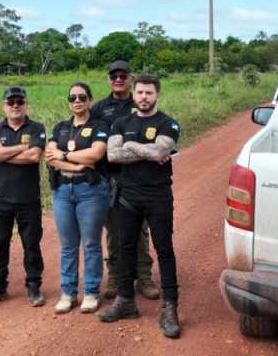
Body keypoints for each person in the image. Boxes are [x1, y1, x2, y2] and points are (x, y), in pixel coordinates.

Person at [98, 74, 182, 339]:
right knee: (124, 249)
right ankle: (125, 301)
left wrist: (131, 145)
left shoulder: (168, 123)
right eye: (140, 93)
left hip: (158, 196)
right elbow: (112, 155)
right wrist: (146, 149)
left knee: (164, 249)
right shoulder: (121, 122)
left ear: (157, 95)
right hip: (127, 197)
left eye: (149, 93)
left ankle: (170, 307)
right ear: (133, 95)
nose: (144, 97)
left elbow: (160, 153)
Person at [91, 60, 159, 301]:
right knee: (113, 230)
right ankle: (116, 277)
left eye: (123, 75)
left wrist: (128, 151)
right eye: (114, 76)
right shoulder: (99, 108)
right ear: (109, 79)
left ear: (131, 79)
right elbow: (97, 144)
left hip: (138, 177)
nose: (118, 79)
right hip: (108, 177)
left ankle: (144, 276)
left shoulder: (140, 102)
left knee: (140, 229)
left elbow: (153, 144)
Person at [45, 82, 110, 315]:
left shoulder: (99, 126)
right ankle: (68, 293)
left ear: (89, 100)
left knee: (91, 244)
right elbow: (49, 157)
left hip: (91, 192)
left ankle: (91, 292)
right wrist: (76, 164)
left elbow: (96, 154)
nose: (77, 101)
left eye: (82, 97)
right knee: (68, 245)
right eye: (72, 98)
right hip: (63, 191)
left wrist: (64, 154)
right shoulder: (61, 127)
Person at [0, 86, 47, 307]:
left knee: (31, 244)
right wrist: (21, 147)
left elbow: (34, 156)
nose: (16, 106)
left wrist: (3, 153)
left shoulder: (36, 127)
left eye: (20, 102)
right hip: (1, 198)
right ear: (4, 105)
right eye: (11, 102)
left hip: (28, 198)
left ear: (26, 104)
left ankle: (34, 285)